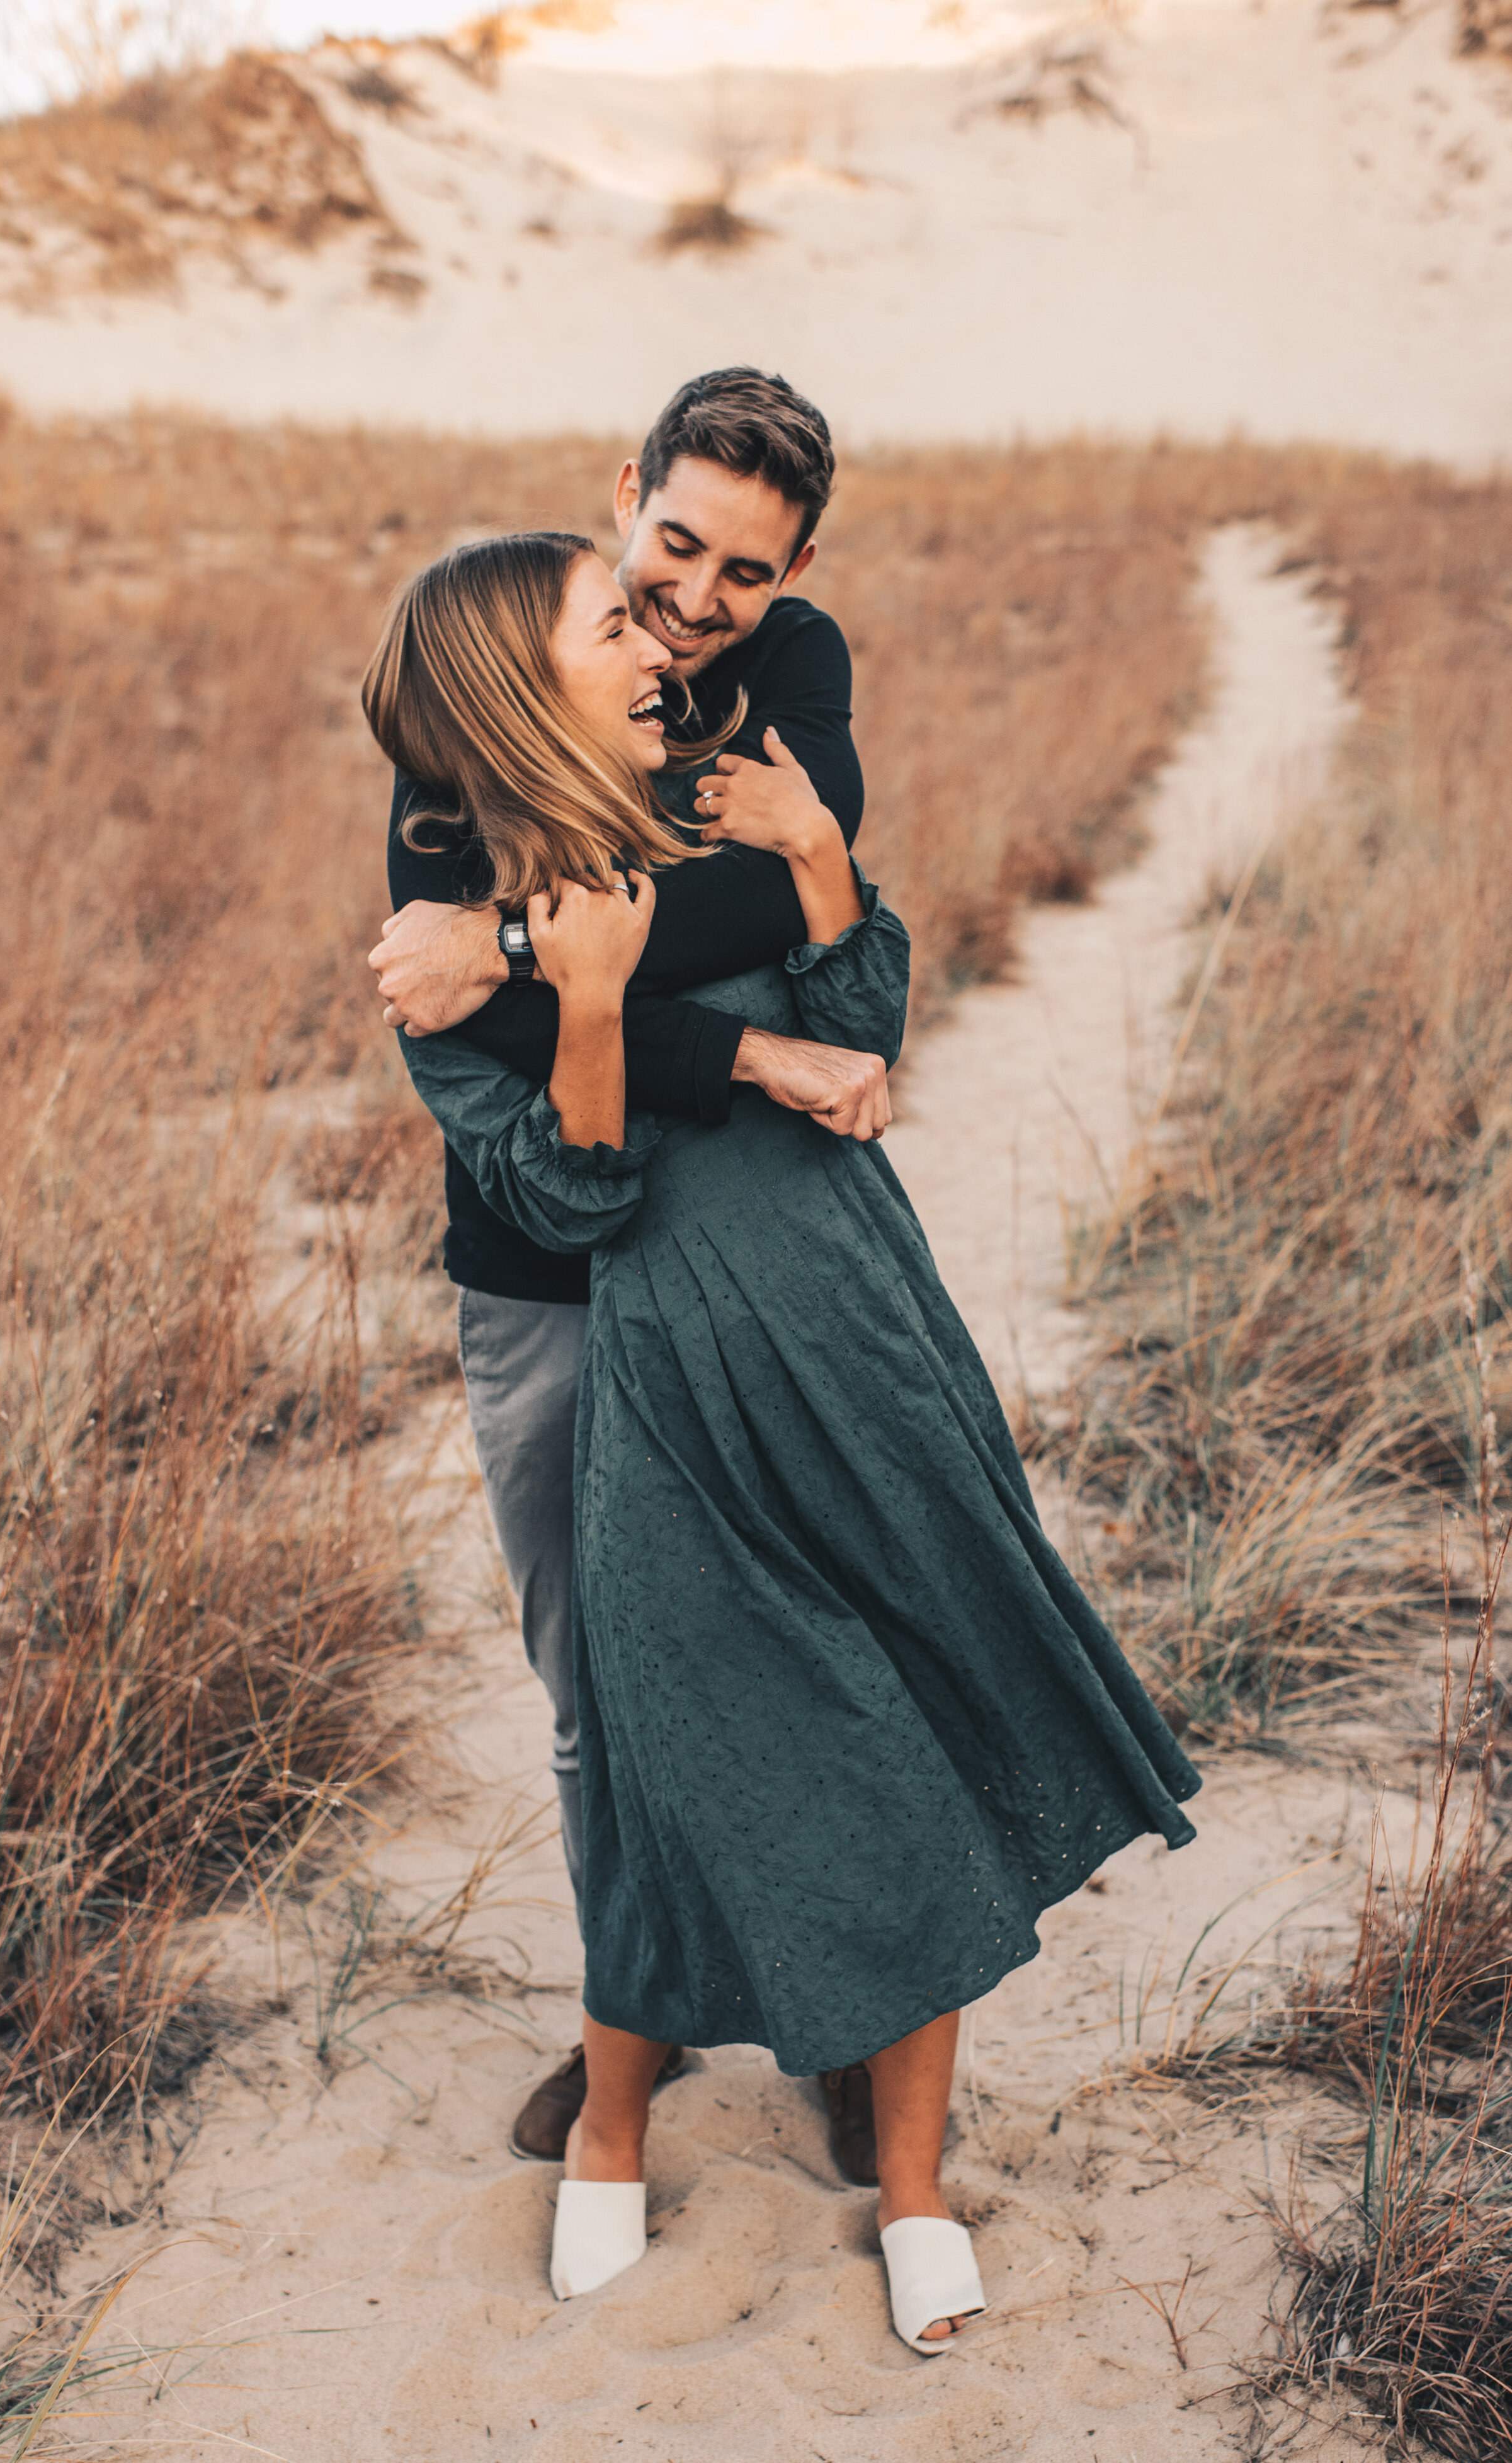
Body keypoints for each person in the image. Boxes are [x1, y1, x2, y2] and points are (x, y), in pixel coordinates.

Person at [361, 529, 1202, 2353]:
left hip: (841, 1313)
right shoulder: (441, 902)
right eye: (622, 607)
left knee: (915, 1683)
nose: (668, 627)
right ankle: (616, 2089)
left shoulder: (718, 813)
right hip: (601, 1332)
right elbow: (571, 1179)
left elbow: (851, 1008)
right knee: (638, 1718)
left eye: (708, 584)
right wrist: (591, 997)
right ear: (527, 681)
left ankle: (887, 2128)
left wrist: (812, 859)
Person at [368, 370, 890, 2181]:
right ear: (623, 494)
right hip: (547, 1278)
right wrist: (722, 1042)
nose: (691, 603)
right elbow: (490, 1038)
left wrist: (520, 936)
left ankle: (841, 2003)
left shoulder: (795, 669)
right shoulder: (491, 664)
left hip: (745, 1254)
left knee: (810, 1649)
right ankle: (637, 2000)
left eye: (742, 573)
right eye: (668, 547)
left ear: (793, 568)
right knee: (605, 1687)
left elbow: (790, 908)